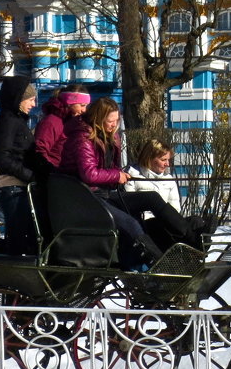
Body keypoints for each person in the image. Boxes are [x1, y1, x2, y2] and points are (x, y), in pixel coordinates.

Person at [59, 98, 198, 269]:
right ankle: (160, 265)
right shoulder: (83, 138)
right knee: (132, 225)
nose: (114, 125)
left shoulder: (109, 137)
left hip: (105, 193)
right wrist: (116, 175)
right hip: (86, 197)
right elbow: (89, 174)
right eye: (110, 121)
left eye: (117, 120)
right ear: (98, 119)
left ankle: (191, 237)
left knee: (151, 198)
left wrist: (116, 174)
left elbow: (109, 169)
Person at [0, 76, 42, 255]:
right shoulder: (8, 121)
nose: (34, 104)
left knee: (23, 237)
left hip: (18, 187)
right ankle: (9, 275)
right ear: (19, 98)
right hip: (12, 188)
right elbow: (2, 158)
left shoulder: (17, 121)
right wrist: (29, 175)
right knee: (17, 239)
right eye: (31, 100)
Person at [34, 86, 90, 170]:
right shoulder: (51, 122)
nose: (84, 110)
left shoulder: (72, 122)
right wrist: (51, 172)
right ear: (70, 103)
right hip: (55, 175)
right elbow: (39, 150)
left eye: (86, 106)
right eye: (82, 105)